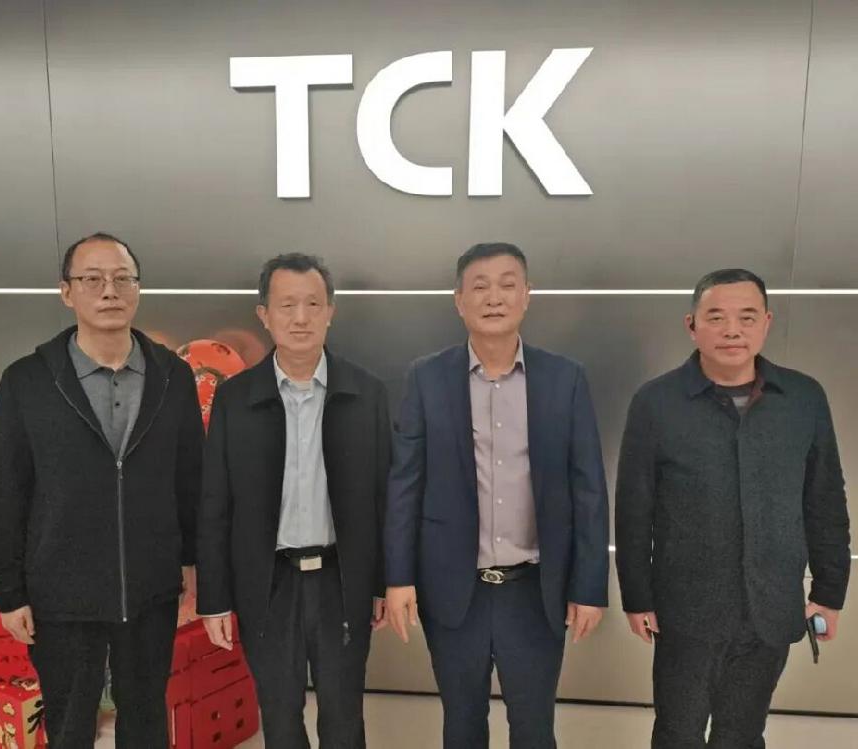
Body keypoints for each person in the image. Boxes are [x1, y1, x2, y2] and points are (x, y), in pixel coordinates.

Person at [0, 232, 203, 748]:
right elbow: (5, 491)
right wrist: (8, 592)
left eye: (123, 278)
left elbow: (191, 478)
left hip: (149, 585)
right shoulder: (27, 381)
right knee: (70, 723)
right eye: (92, 279)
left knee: (146, 718)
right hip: (60, 590)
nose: (109, 291)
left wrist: (193, 559)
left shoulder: (173, 376)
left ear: (138, 289)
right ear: (66, 292)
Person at [384, 242, 610, 748]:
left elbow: (589, 489)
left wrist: (590, 586)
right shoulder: (427, 377)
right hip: (452, 588)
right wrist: (398, 578)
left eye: (508, 285)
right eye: (480, 286)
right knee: (461, 724)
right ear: (458, 300)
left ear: (526, 295)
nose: (494, 297)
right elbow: (405, 484)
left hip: (535, 590)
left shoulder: (565, 378)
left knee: (534, 727)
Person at [615, 268, 851, 748]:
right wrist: (637, 596)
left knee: (742, 733)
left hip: (771, 604)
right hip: (686, 608)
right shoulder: (656, 402)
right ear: (691, 325)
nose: (732, 330)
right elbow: (634, 508)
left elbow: (824, 498)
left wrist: (830, 590)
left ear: (766, 323)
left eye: (746, 317)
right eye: (716, 317)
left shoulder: (803, 398)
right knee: (678, 733)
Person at [196, 253, 391, 749]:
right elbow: (215, 504)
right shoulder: (236, 399)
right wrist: (214, 598)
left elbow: (383, 498)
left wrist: (382, 582)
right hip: (268, 585)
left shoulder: (366, 393)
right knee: (280, 719)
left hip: (340, 581)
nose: (300, 317)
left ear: (331, 312)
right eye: (287, 305)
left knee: (344, 717)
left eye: (313, 304)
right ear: (264, 315)